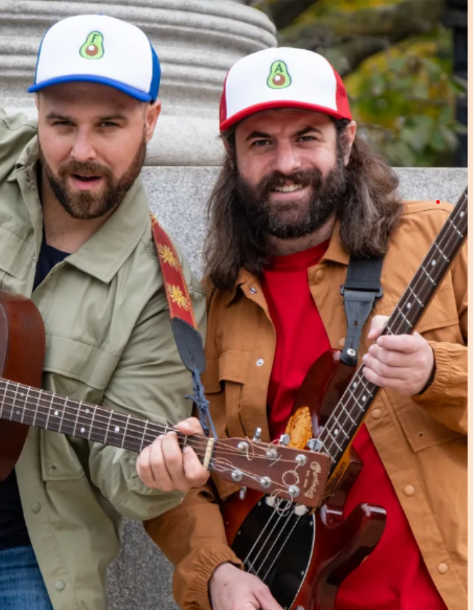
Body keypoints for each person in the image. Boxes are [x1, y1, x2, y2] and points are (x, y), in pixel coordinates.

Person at [143, 47, 467, 610]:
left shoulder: (438, 243)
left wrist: (437, 372)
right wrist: (215, 573)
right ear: (232, 154)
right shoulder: (211, 305)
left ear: (345, 141)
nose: (286, 162)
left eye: (307, 137)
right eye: (261, 142)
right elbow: (184, 470)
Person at [0, 14, 208, 610]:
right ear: (37, 111)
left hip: (22, 559)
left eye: (109, 125)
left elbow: (120, 471)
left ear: (151, 120)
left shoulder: (162, 291)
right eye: (61, 123)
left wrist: (157, 476)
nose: (82, 151)